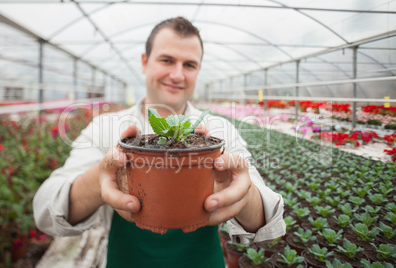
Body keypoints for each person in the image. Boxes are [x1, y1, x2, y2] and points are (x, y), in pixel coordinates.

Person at [33, 17, 285, 268]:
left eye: (189, 65)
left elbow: (269, 220)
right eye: (167, 60)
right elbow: (45, 212)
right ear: (145, 62)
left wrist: (244, 193)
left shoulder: (217, 133)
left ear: (198, 70)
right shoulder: (105, 128)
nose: (177, 74)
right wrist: (101, 176)